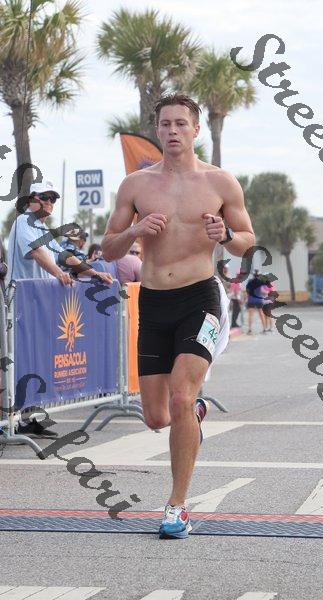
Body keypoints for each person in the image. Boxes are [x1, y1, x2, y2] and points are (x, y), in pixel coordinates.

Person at [102, 93, 255, 539]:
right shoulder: (136, 185)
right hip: (153, 303)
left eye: (181, 124)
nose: (173, 131)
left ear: (196, 130)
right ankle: (194, 414)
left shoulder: (220, 182)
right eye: (166, 124)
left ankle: (177, 506)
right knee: (156, 416)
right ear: (157, 129)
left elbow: (247, 240)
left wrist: (225, 234)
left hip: (200, 300)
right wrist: (135, 229)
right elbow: (108, 248)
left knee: (181, 398)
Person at [6, 180, 113, 437]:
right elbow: (37, 253)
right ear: (31, 199)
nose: (50, 202)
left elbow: (65, 256)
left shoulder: (42, 228)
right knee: (17, 361)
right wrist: (58, 273)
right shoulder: (24, 221)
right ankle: (9, 421)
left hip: (37, 304)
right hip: (19, 304)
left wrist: (94, 273)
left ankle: (28, 418)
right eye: (45, 197)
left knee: (36, 360)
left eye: (53, 198)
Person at [245, 270, 268, 334]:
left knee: (250, 315)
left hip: (251, 299)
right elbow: (263, 290)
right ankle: (264, 329)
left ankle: (250, 330)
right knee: (261, 314)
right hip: (259, 299)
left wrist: (246, 297)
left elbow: (247, 291)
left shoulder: (250, 281)